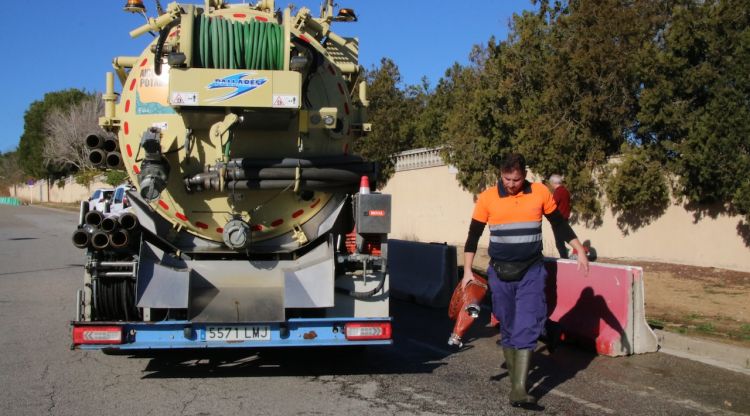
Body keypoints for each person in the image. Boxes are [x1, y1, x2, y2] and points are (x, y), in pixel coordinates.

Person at [461, 153, 589, 410]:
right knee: (507, 323)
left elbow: (559, 224)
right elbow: (473, 235)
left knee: (528, 322)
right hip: (499, 271)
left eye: (516, 179)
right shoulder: (487, 197)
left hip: (531, 269)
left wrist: (579, 248)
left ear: (524, 175)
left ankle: (519, 389)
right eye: (507, 179)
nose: (511, 184)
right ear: (501, 174)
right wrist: (466, 272)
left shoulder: (540, 192)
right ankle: (516, 381)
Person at [548, 174, 571, 258]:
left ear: (553, 183)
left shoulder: (558, 192)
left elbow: (552, 205)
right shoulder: (566, 191)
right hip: (565, 218)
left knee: (559, 242)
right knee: (563, 239)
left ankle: (564, 258)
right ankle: (565, 254)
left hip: (558, 220)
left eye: (551, 183)